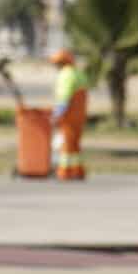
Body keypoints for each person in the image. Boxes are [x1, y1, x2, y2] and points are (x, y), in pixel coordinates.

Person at [50, 49, 89, 181]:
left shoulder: (65, 75)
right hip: (80, 116)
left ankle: (64, 171)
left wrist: (56, 114)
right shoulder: (78, 74)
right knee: (75, 145)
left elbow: (64, 97)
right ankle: (78, 171)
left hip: (69, 115)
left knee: (66, 145)